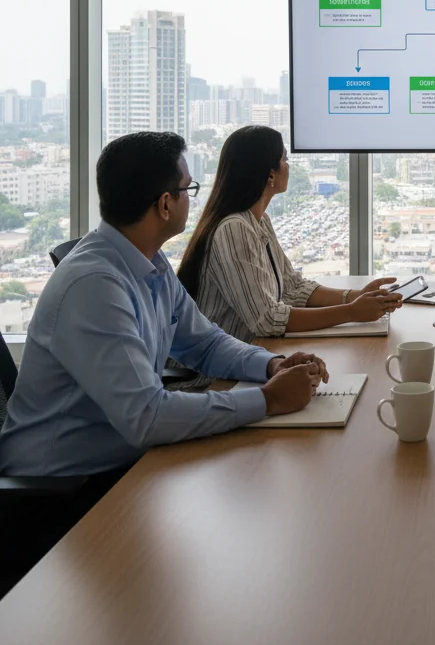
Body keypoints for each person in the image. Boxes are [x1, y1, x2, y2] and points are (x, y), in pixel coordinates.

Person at [0, 132, 326, 531]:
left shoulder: (148, 263)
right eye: (188, 188)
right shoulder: (95, 285)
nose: (193, 198)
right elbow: (148, 417)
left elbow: (205, 343)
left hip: (121, 465)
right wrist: (267, 400)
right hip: (59, 494)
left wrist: (271, 365)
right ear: (165, 204)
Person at [177, 126, 401, 353]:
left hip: (248, 355)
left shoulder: (258, 221)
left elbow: (293, 288)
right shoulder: (234, 229)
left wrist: (355, 297)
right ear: (270, 174)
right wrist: (351, 312)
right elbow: (267, 319)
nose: (288, 166)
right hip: (213, 369)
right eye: (284, 159)